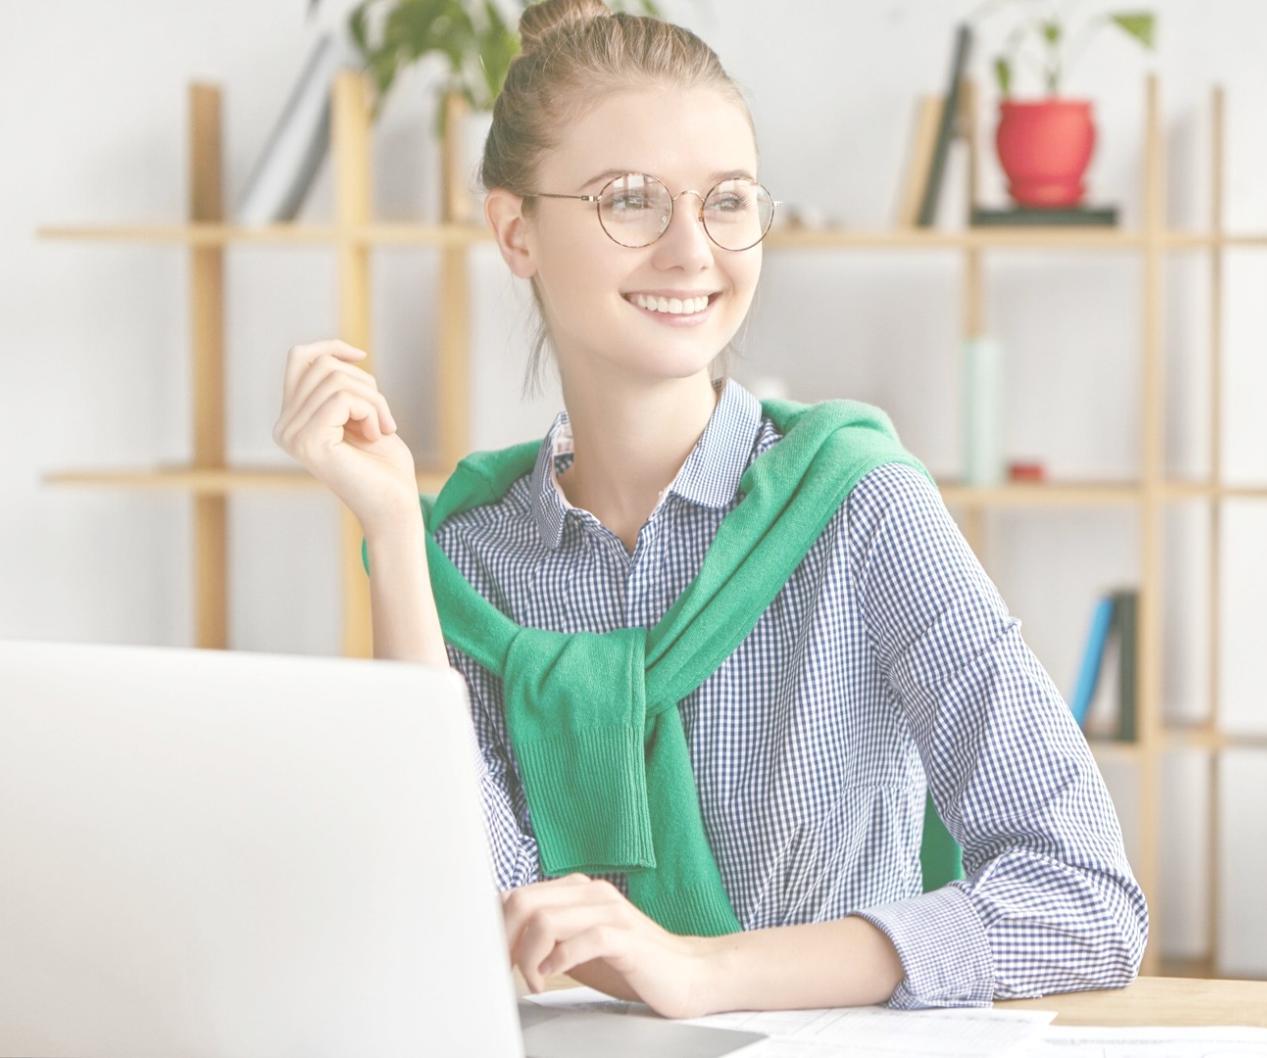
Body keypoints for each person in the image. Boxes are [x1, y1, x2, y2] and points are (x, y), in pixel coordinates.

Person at [273, 0, 1146, 1021]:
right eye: (630, 200)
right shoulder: (465, 557)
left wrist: (698, 969)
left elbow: (1085, 900)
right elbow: (461, 904)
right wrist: (391, 531)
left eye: (727, 201)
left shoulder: (858, 507)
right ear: (516, 231)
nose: (693, 251)